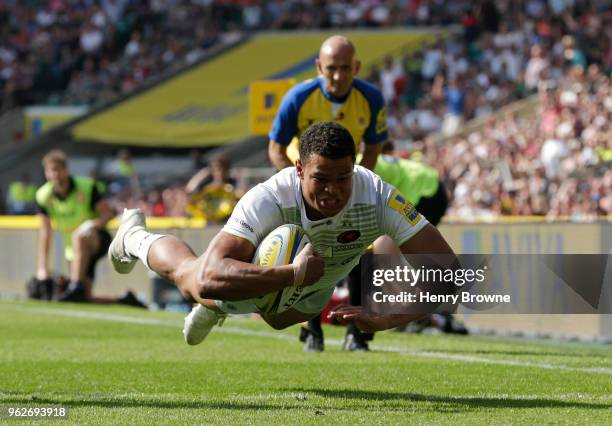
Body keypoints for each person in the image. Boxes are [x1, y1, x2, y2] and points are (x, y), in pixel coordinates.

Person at [108, 121, 457, 345]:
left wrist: (386, 319)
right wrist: (291, 274)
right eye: (321, 179)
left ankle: (220, 308)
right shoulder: (271, 197)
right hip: (268, 275)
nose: (333, 190)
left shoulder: (378, 197)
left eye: (343, 178)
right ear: (300, 170)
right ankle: (135, 238)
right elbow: (213, 275)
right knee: (193, 281)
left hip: (310, 295)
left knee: (277, 321)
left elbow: (451, 275)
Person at [268, 35, 388, 351]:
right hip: (305, 187)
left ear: (357, 67)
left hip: (348, 185)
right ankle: (311, 329)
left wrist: (358, 187)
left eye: (345, 68)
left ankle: (357, 332)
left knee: (365, 247)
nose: (337, 75)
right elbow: (275, 147)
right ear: (319, 66)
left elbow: (373, 148)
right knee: (307, 249)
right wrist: (299, 185)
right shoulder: (298, 97)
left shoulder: (371, 98)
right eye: (331, 68)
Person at [35, 150, 144, 307]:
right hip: (72, 249)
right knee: (82, 297)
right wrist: (42, 268)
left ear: (66, 169)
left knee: (80, 236)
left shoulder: (86, 187)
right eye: (50, 170)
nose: (55, 174)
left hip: (95, 239)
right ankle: (125, 300)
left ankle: (75, 284)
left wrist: (92, 224)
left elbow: (108, 213)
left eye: (58, 169)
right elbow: (45, 232)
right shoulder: (43, 196)